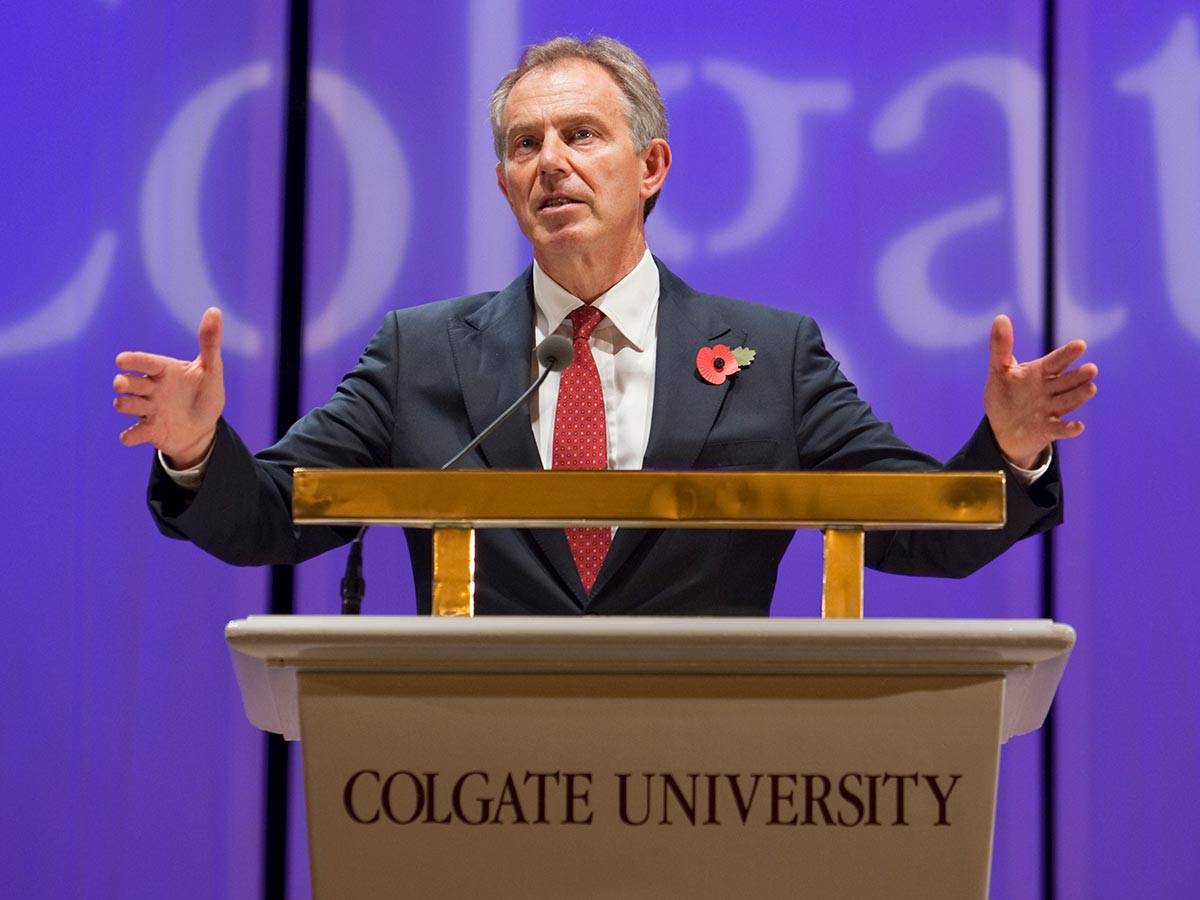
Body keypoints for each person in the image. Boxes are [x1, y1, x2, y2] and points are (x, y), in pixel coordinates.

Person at [112, 36, 1097, 615]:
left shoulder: (771, 357)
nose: (551, 162)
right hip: (476, 783)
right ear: (505, 183)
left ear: (652, 166)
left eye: (582, 134)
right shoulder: (422, 354)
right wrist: (196, 451)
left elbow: (919, 533)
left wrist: (1010, 453)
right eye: (524, 144)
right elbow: (273, 515)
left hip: (714, 783)